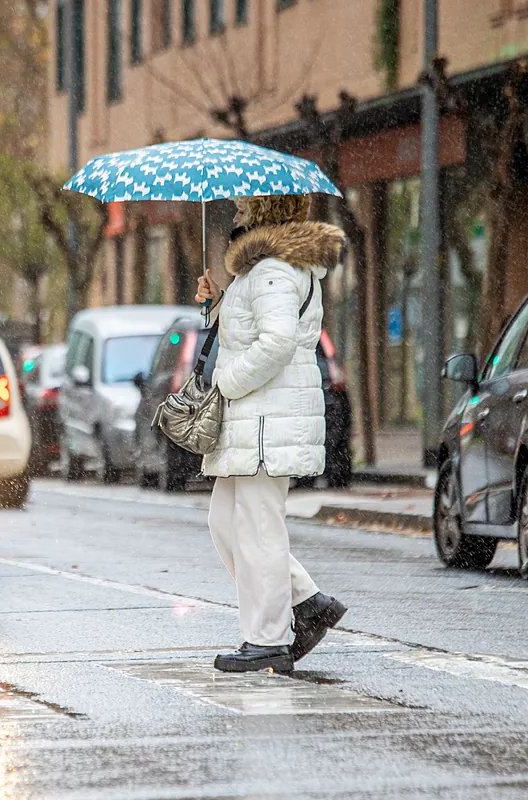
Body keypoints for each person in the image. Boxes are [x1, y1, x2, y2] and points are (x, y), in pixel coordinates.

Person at [194, 194, 348, 673]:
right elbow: (249, 330)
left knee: (259, 528)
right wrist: (217, 302)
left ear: (263, 211)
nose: (236, 213)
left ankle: (267, 639)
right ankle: (306, 602)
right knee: (226, 521)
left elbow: (277, 342)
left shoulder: (274, 270)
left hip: (266, 422)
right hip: (254, 421)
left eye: (243, 207)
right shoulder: (258, 271)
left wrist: (226, 380)